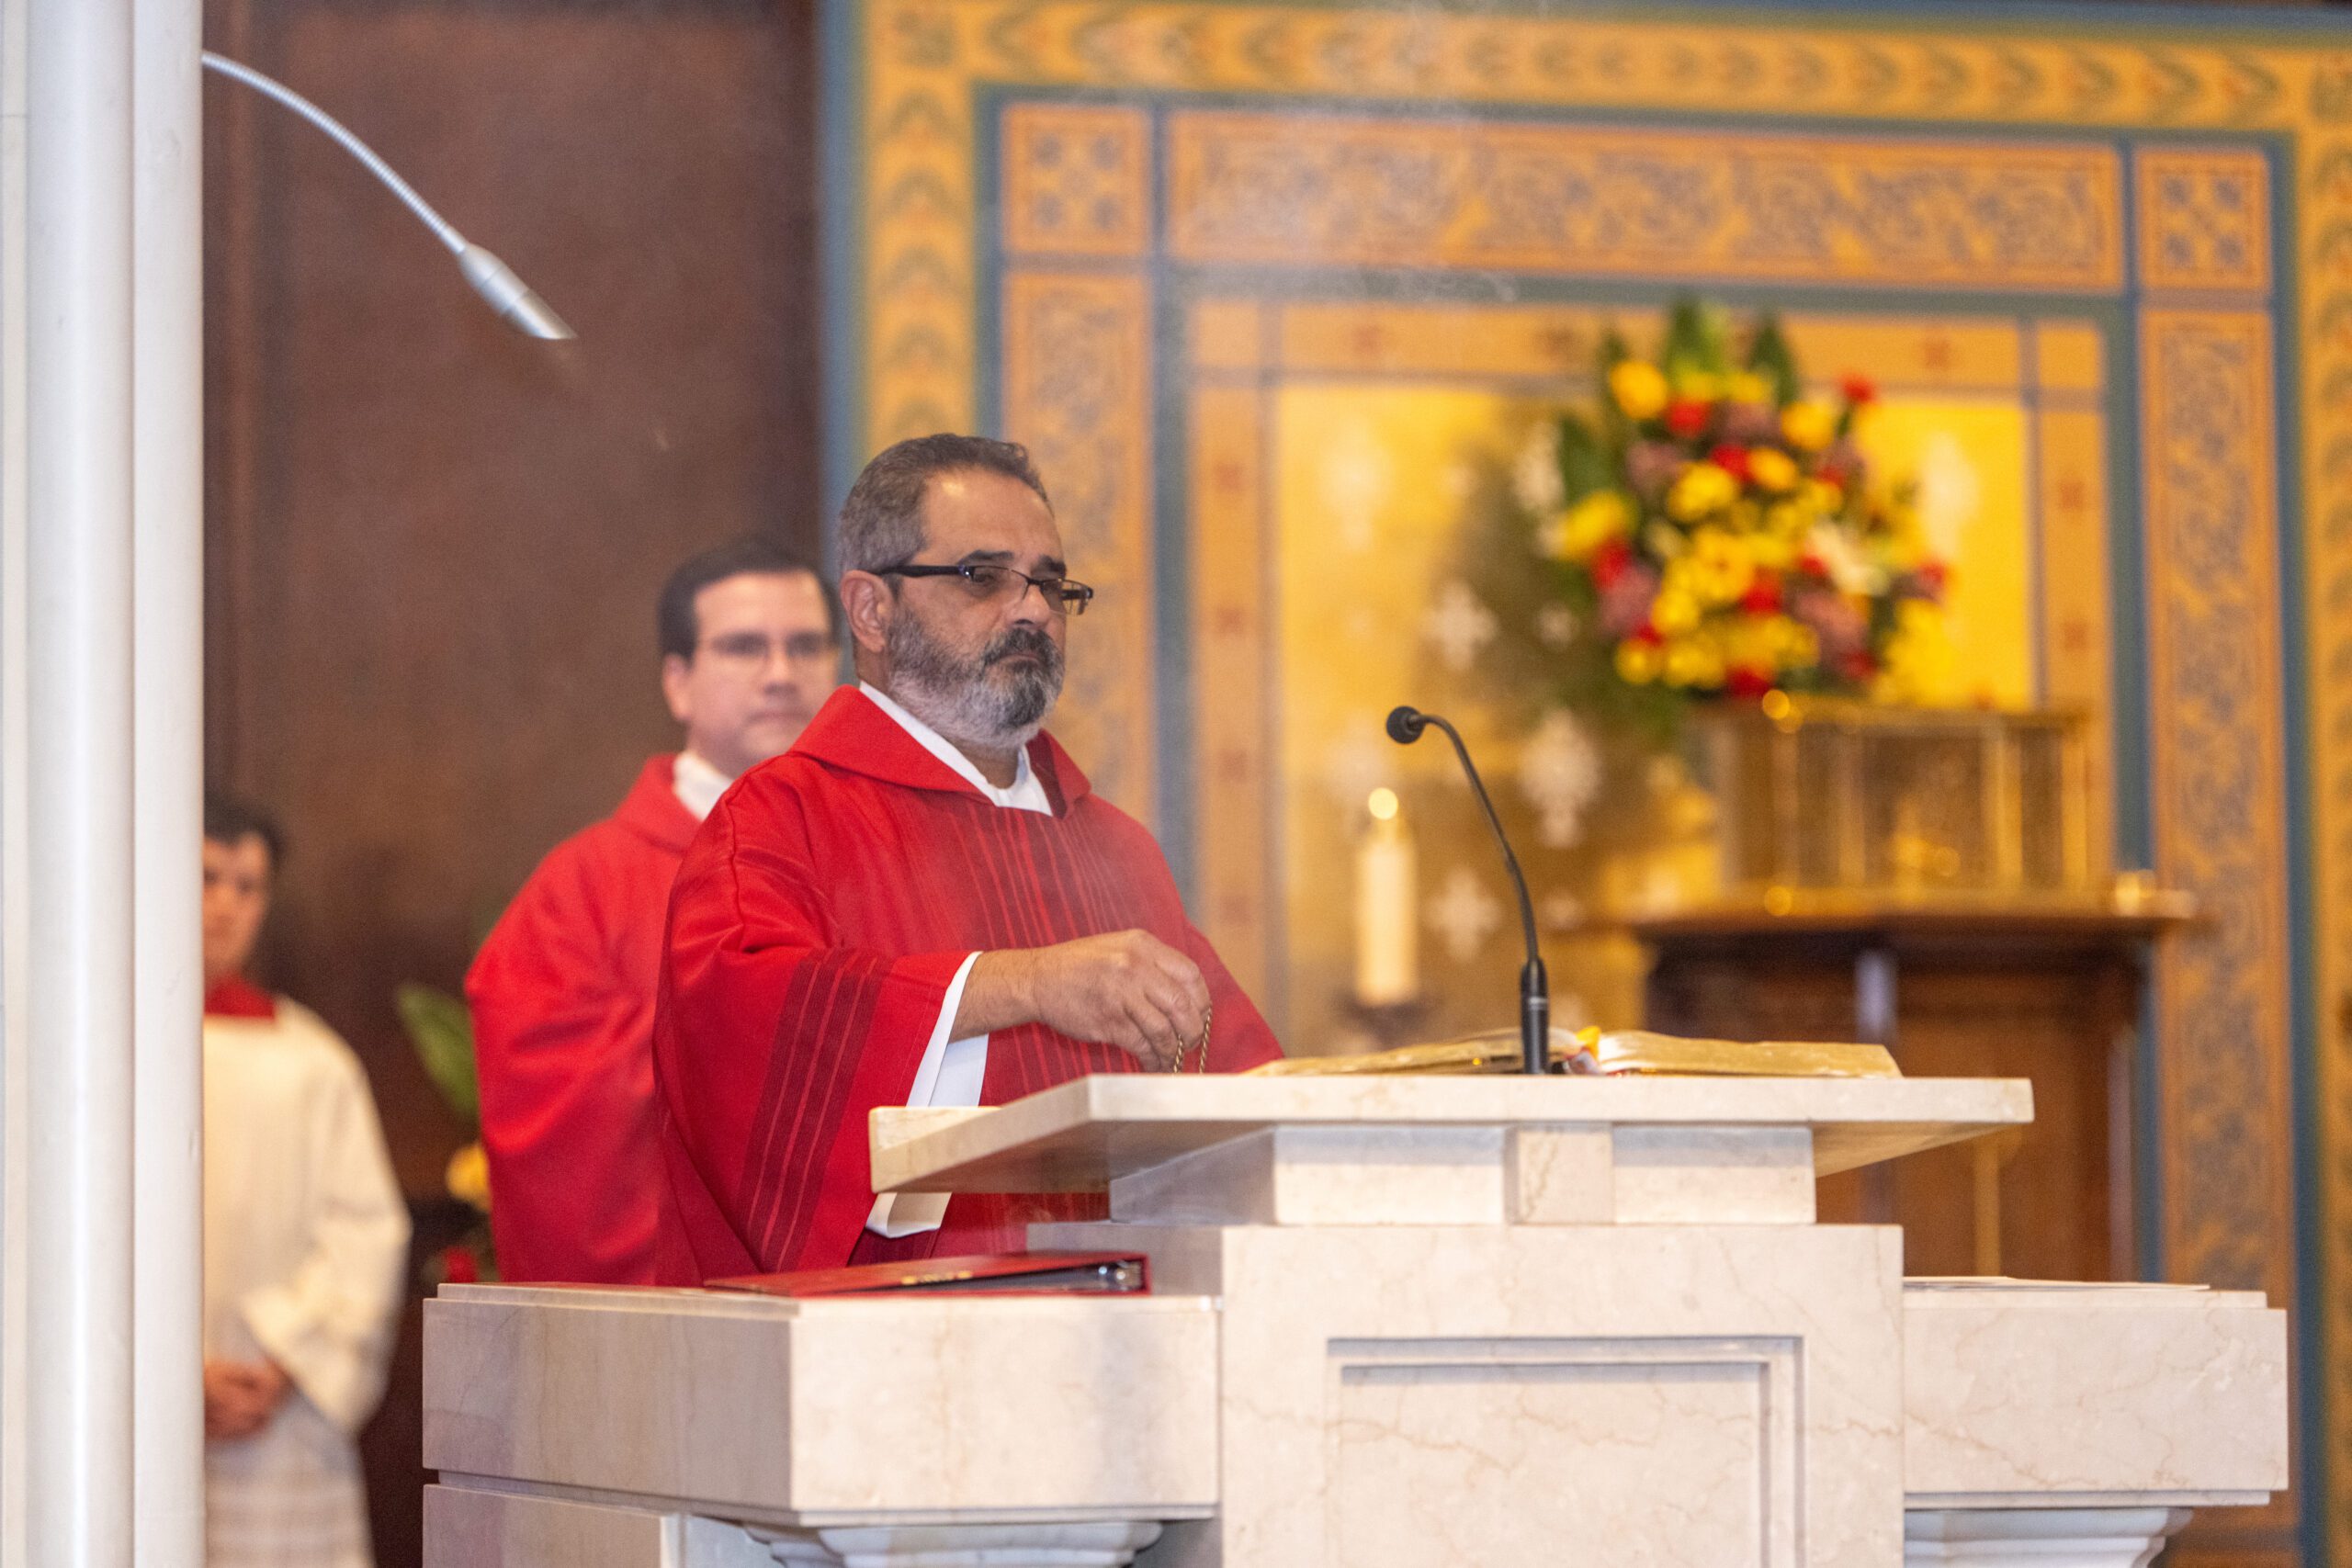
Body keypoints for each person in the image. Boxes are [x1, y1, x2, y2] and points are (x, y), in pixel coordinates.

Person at [653, 434, 1285, 1284]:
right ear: (871, 610)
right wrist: (1024, 984)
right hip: (894, 1340)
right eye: (983, 576)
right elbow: (743, 1033)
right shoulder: (778, 819)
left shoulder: (1115, 849)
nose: (1032, 611)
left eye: (1050, 583)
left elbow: (1245, 1096)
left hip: (1128, 1334)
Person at [466, 536, 842, 1283]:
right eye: (744, 647)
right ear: (679, 684)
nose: (780, 673)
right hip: (678, 1314)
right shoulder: (582, 890)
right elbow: (558, 1133)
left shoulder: (889, 858)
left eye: (805, 646)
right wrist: (805, 1044)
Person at [200, 792, 410, 1568]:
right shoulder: (103, 1050)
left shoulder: (314, 1061)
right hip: (144, 1408)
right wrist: (171, 1369)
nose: (226, 905)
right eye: (206, 877)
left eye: (247, 885)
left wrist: (286, 1359)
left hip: (281, 1415)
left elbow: (366, 1229)